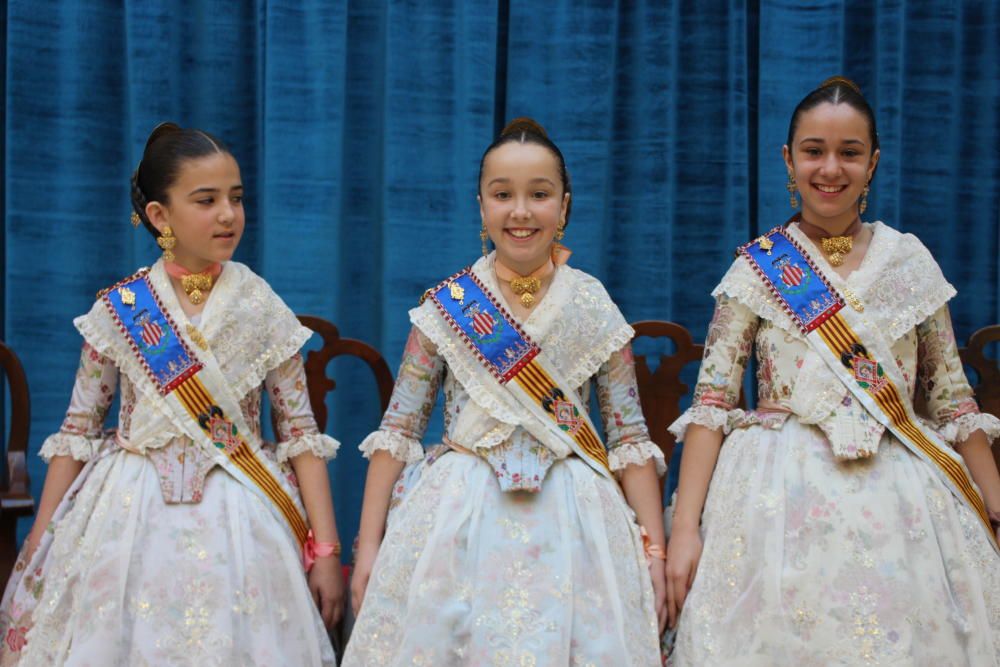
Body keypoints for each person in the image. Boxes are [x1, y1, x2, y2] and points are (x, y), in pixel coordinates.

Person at [665, 77, 1000, 665]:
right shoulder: (759, 268)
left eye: (849, 152)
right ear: (788, 159)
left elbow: (953, 401)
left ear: (872, 163)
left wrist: (995, 505)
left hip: (905, 492)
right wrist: (686, 529)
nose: (830, 168)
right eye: (814, 150)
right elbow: (712, 404)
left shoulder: (909, 261)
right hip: (775, 495)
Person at [0, 123, 343, 665]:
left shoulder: (262, 307)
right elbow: (77, 433)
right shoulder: (121, 309)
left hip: (243, 510)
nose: (228, 214)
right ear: (160, 216)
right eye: (206, 200)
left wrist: (326, 549)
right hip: (129, 511)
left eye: (236, 198)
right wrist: (39, 548)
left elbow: (300, 436)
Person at [343, 118, 666, 666]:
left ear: (563, 206)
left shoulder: (592, 306)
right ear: (481, 206)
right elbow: (398, 431)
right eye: (503, 195)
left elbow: (629, 437)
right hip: (458, 517)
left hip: (573, 521)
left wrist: (653, 552)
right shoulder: (447, 306)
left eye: (539, 195)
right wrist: (369, 545)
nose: (520, 211)